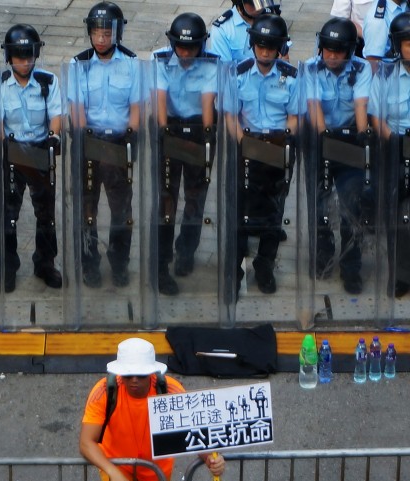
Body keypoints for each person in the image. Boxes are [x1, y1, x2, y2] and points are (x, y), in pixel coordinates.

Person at [79, 338, 225, 481]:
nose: (134, 380)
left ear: (151, 373)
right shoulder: (104, 391)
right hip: (117, 464)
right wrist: (113, 473)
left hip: (155, 472)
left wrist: (211, 458)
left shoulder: (171, 390)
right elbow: (86, 442)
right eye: (127, 375)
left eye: (141, 375)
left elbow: (192, 430)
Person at [225, 14, 299, 295]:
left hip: (279, 146)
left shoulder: (291, 78)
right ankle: (235, 264)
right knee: (240, 207)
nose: (265, 52)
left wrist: (281, 143)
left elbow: (295, 117)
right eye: (260, 46)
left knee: (274, 208)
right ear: (253, 44)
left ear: (279, 49)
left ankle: (265, 263)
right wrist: (247, 145)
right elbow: (231, 116)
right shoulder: (239, 73)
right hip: (246, 143)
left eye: (271, 47)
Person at [69, 2, 140, 289]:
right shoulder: (79, 64)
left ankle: (119, 263)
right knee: (87, 209)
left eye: (106, 33)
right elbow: (76, 108)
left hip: (118, 145)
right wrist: (86, 138)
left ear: (117, 33)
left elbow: (136, 107)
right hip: (89, 143)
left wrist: (130, 138)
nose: (101, 39)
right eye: (96, 32)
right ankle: (89, 263)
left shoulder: (132, 63)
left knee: (121, 210)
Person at [0, 24, 63, 293]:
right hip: (13, 155)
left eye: (29, 56)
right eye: (19, 57)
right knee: (8, 216)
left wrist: (54, 136)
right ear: (9, 58)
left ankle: (45, 264)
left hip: (40, 153)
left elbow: (57, 115)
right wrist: (3, 150)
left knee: (46, 215)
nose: (25, 62)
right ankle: (9, 268)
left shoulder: (48, 81)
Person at [151, 13, 219, 295]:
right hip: (170, 129)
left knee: (195, 197)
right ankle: (161, 264)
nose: (186, 53)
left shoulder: (210, 64)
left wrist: (201, 143)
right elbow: (160, 104)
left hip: (197, 130)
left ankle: (186, 251)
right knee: (166, 201)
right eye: (181, 47)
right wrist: (168, 139)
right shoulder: (160, 60)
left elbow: (207, 110)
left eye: (192, 48)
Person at [305, 17, 373, 294]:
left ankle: (351, 268)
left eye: (338, 51)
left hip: (349, 140)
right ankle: (323, 257)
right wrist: (325, 142)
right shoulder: (310, 68)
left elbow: (361, 106)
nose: (331, 56)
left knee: (351, 207)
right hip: (320, 140)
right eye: (327, 50)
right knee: (320, 207)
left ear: (349, 51)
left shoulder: (361, 68)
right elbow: (314, 108)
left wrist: (361, 136)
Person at [369, 12, 410, 297]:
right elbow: (376, 117)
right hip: (394, 148)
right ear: (397, 45)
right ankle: (401, 274)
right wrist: (394, 142)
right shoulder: (384, 74)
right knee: (397, 217)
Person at [209, 0, 284, 63]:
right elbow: (224, 71)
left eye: (262, 2)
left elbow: (283, 53)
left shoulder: (270, 16)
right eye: (253, 4)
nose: (259, 9)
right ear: (240, 2)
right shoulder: (222, 30)